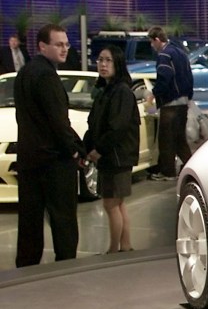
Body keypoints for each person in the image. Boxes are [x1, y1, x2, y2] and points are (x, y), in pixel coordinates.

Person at [14, 24, 86, 267]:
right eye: (59, 44)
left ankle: (25, 272)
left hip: (28, 160)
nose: (64, 49)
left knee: (29, 224)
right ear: (42, 46)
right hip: (53, 163)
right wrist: (75, 150)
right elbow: (58, 121)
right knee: (63, 223)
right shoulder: (46, 76)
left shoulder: (24, 73)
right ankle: (64, 272)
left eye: (66, 44)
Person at [84, 45, 140, 253]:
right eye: (100, 60)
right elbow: (94, 124)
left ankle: (113, 249)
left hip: (117, 156)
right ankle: (124, 246)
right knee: (117, 203)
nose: (103, 64)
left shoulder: (122, 92)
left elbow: (118, 126)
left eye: (108, 60)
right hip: (112, 156)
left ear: (117, 64)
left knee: (111, 204)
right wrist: (88, 148)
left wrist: (99, 149)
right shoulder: (104, 91)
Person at [147, 25, 194, 181]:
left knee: (166, 140)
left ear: (157, 40)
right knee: (180, 140)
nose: (152, 46)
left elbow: (164, 77)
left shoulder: (165, 55)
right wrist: (189, 96)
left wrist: (153, 93)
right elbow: (189, 76)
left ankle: (168, 172)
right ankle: (192, 168)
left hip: (170, 104)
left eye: (152, 42)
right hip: (183, 102)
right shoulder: (180, 53)